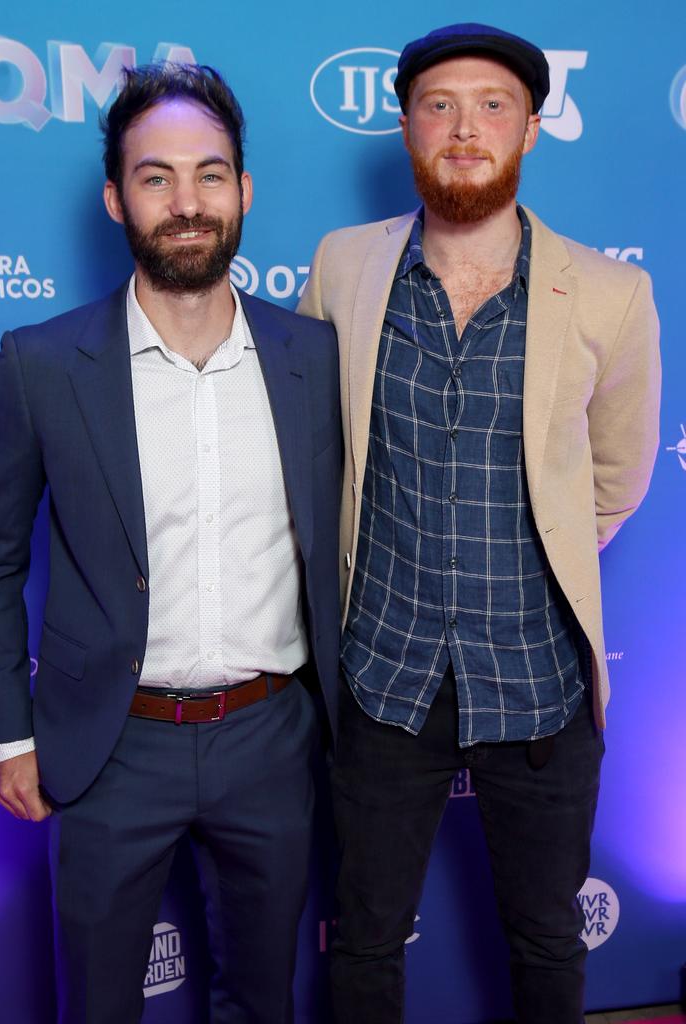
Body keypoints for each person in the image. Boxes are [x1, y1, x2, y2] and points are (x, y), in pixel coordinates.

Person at [0, 62, 341, 1024]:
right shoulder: (41, 364)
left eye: (210, 174)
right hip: (109, 745)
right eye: (156, 176)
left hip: (273, 737)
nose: (187, 202)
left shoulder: (316, 358)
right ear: (116, 199)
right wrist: (8, 735)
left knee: (263, 999)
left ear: (244, 192)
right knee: (97, 1004)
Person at [298, 22, 660, 1024]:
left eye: (493, 106)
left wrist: (527, 564)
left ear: (531, 130)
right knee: (364, 935)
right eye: (440, 107)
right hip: (383, 675)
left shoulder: (611, 292)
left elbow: (619, 475)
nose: (466, 128)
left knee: (547, 937)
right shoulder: (343, 267)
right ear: (408, 130)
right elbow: (317, 446)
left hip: (536, 681)